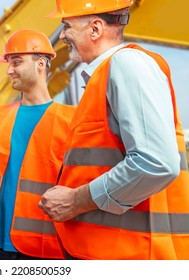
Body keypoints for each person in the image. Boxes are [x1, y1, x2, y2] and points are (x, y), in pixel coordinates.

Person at [39, 0, 189, 259]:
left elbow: (155, 163)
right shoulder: (107, 75)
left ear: (95, 29)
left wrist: (75, 201)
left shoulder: (127, 64)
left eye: (66, 26)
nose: (62, 35)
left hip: (132, 256)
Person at [0, 29, 75, 260]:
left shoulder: (70, 120)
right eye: (8, 63)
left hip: (45, 246)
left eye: (16, 62)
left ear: (41, 64)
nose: (9, 70)